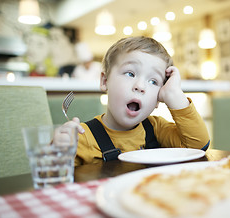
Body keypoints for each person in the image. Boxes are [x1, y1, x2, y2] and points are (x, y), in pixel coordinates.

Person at [61, 36, 210, 166]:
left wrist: (175, 95)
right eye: (130, 73)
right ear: (105, 81)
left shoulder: (156, 128)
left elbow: (198, 146)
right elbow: (52, 176)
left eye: (153, 82)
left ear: (159, 98)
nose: (140, 86)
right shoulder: (81, 137)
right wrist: (60, 149)